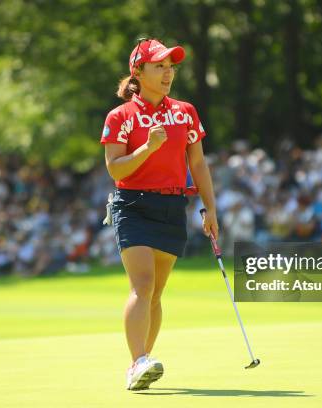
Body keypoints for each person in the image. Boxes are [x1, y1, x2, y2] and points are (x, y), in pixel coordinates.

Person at [100, 38, 218, 391]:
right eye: (159, 67)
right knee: (143, 284)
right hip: (132, 206)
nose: (168, 73)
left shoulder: (185, 111)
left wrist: (210, 207)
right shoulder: (120, 116)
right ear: (138, 72)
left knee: (155, 293)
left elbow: (196, 161)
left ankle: (143, 362)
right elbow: (116, 169)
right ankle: (137, 362)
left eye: (171, 67)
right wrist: (147, 148)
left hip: (172, 207)